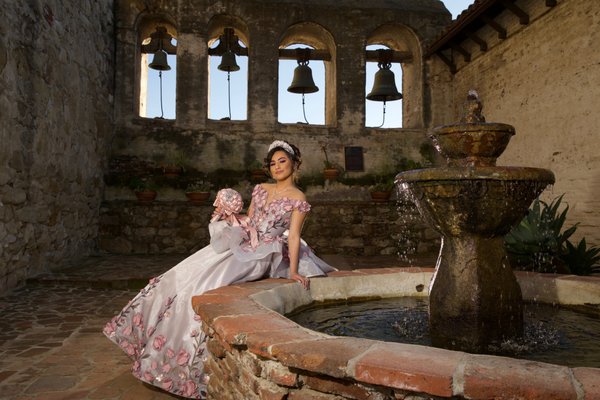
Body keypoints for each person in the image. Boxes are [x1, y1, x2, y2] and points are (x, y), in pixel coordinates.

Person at [103, 140, 336, 398]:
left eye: (283, 161)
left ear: (294, 164)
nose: (277, 167)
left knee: (208, 285)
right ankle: (156, 349)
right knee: (183, 275)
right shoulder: (260, 189)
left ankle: (190, 365)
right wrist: (229, 219)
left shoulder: (298, 198)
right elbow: (249, 220)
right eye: (272, 163)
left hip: (265, 252)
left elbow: (293, 236)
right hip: (244, 242)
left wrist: (292, 271)